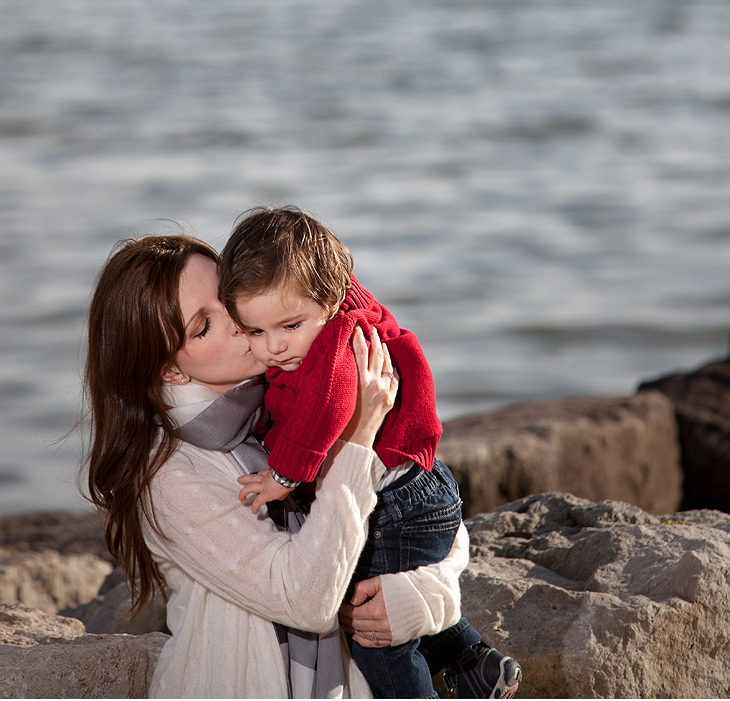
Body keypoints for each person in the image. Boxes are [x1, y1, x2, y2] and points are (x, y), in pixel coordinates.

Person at [84, 232, 474, 700]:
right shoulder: (172, 474)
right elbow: (307, 600)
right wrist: (358, 438)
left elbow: (423, 505)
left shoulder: (286, 394)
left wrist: (421, 599)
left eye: (226, 297)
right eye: (202, 326)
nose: (237, 321)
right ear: (171, 370)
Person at [220, 206, 523, 701]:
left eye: (289, 325)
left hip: (396, 508)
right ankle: (478, 668)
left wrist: (285, 475)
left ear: (330, 298)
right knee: (383, 598)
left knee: (375, 634)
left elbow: (328, 405)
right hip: (418, 489)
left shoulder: (338, 345)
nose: (273, 346)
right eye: (255, 332)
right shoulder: (340, 309)